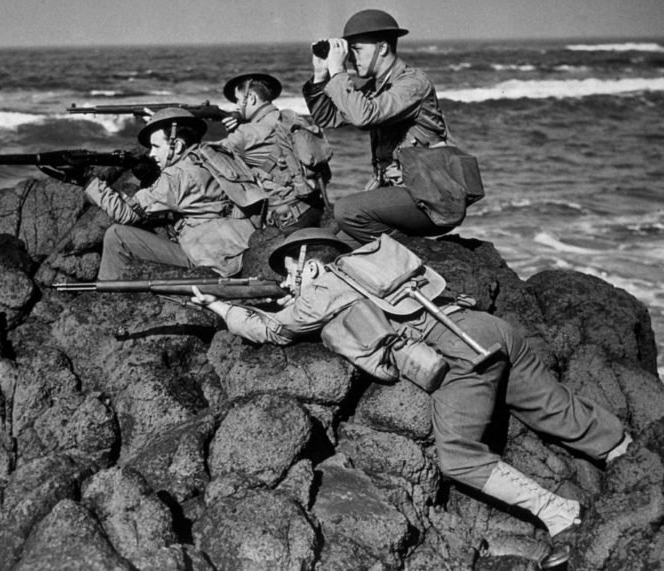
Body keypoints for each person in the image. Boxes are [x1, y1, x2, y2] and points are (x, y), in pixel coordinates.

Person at [190, 228, 632, 569]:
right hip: (485, 328)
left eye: (290, 270)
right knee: (547, 405)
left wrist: (220, 306)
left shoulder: (324, 286)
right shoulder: (373, 266)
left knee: (458, 457)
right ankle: (623, 450)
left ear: (308, 264)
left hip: (459, 353)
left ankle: (558, 513)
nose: (288, 280)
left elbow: (274, 331)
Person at [303, 9, 484, 248]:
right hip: (405, 194)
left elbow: (362, 116)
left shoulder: (412, 84)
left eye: (357, 50)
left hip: (432, 197)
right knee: (335, 246)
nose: (352, 58)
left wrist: (339, 72)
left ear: (384, 48)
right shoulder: (376, 88)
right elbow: (328, 117)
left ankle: (414, 253)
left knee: (347, 209)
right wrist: (320, 74)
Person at [82, 108, 256, 280]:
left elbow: (126, 213)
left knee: (116, 236)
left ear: (178, 145)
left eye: (156, 146)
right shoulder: (215, 153)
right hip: (239, 244)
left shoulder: (176, 175)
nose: (151, 153)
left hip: (212, 261)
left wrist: (88, 182)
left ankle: (106, 292)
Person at [217, 72, 325, 234]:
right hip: (315, 206)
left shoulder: (244, 133)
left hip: (288, 220)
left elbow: (209, 157)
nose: (237, 107)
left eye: (238, 100)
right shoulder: (293, 117)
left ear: (251, 98)